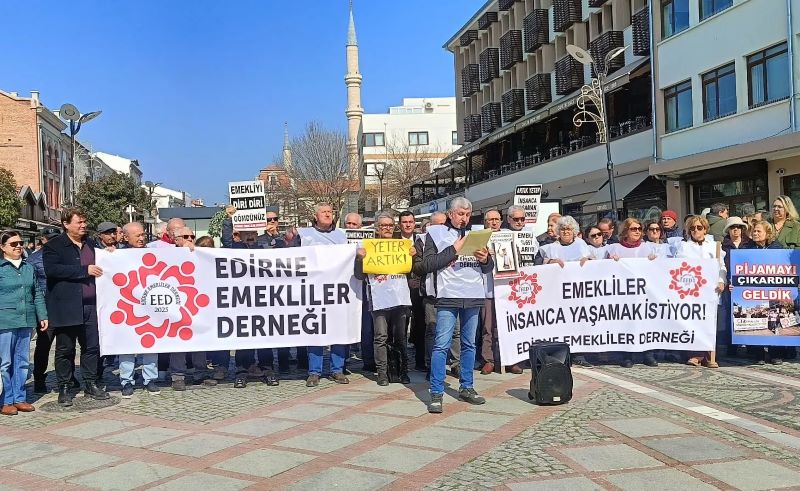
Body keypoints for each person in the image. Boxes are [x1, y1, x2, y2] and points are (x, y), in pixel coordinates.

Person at [422, 197, 493, 413]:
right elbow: (428, 264)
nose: (464, 218)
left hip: (473, 295)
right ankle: (436, 391)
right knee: (442, 345)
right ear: (451, 214)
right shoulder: (436, 233)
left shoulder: (478, 234)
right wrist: (454, 249)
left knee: (469, 345)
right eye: (460, 214)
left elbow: (488, 268)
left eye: (467, 214)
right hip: (448, 295)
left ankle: (467, 387)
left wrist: (484, 259)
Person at [43, 208, 109, 406]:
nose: (83, 225)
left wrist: (110, 254)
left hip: (91, 305)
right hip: (66, 306)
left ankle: (90, 382)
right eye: (79, 222)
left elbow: (103, 262)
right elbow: (52, 270)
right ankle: (64, 386)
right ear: (66, 224)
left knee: (91, 347)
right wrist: (84, 270)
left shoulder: (90, 243)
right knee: (65, 349)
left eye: (84, 221)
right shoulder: (54, 245)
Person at [356, 213, 414, 385]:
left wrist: (413, 256)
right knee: (380, 336)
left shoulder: (402, 245)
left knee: (400, 337)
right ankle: (382, 372)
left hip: (399, 297)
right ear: (377, 228)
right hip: (379, 299)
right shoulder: (369, 247)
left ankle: (402, 371)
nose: (387, 228)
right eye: (383, 226)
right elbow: (359, 275)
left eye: (390, 225)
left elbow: (412, 271)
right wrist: (360, 259)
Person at [298, 203, 351, 387]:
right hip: (313, 291)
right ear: (315, 216)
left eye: (330, 212)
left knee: (337, 330)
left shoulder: (341, 236)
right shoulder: (303, 235)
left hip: (336, 290)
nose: (328, 214)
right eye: (324, 212)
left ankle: (337, 370)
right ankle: (314, 371)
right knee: (315, 331)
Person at [0, 231, 48, 415]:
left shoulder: (28, 267)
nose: (19, 246)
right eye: (13, 244)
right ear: (3, 247)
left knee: (22, 361)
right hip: (5, 320)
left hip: (26, 318)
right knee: (5, 362)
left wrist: (42, 315)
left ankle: (19, 398)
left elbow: (36, 293)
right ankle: (5, 400)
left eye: (21, 243)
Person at [112, 222, 161, 398]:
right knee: (126, 345)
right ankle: (126, 381)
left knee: (150, 343)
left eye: (143, 235)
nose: (141, 238)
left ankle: (150, 379)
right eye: (137, 235)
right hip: (126, 307)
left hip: (149, 307)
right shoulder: (116, 255)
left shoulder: (153, 253)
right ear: (125, 237)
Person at [539, 216, 594, 368]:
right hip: (558, 293)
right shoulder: (551, 247)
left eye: (569, 229)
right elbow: (541, 265)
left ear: (574, 231)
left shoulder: (582, 244)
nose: (566, 232)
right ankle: (560, 355)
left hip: (578, 291)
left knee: (578, 322)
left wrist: (588, 260)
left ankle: (579, 355)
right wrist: (550, 262)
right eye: (562, 229)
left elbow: (592, 260)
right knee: (561, 323)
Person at [605, 218, 659, 368]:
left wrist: (654, 261)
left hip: (643, 293)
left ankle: (648, 354)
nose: (637, 231)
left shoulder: (647, 248)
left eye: (639, 229)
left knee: (645, 322)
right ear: (625, 231)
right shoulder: (614, 248)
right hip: (622, 294)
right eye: (633, 229)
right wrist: (611, 261)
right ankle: (626, 355)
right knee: (625, 323)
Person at [674, 215, 726, 368]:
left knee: (710, 322)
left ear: (705, 229)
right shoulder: (683, 247)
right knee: (694, 321)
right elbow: (677, 267)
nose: (696, 230)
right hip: (691, 289)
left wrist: (721, 280)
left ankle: (710, 354)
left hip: (711, 289)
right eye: (692, 228)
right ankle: (695, 354)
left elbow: (721, 266)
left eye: (699, 227)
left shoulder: (714, 246)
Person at [411, 211, 458, 381]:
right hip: (431, 293)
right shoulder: (421, 241)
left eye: (442, 224)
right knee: (432, 330)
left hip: (452, 292)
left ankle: (456, 364)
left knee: (455, 332)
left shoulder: (454, 238)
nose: (439, 227)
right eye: (435, 224)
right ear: (429, 225)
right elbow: (419, 267)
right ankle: (432, 365)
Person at [169, 233, 219, 390]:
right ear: (176, 240)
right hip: (178, 306)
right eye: (185, 236)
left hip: (199, 305)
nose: (189, 239)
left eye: (192, 236)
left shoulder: (202, 256)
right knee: (178, 342)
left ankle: (201, 373)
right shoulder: (167, 255)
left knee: (200, 340)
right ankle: (178, 376)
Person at [498, 205, 539, 373]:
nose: (520, 222)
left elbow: (537, 258)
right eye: (516, 219)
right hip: (507, 286)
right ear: (509, 219)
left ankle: (525, 357)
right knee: (508, 324)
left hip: (527, 286)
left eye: (523, 219)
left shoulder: (531, 236)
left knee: (526, 323)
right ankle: (510, 359)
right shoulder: (501, 235)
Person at [29, 231, 67, 393]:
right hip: (45, 308)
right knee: (44, 345)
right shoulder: (34, 259)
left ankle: (66, 378)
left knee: (66, 345)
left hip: (64, 305)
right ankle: (39, 378)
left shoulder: (64, 255)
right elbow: (33, 287)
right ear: (43, 240)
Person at [749, 220, 791, 364]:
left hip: (774, 291)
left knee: (775, 321)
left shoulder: (777, 248)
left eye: (759, 231)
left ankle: (775, 353)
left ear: (767, 233)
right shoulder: (747, 248)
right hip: (755, 291)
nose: (755, 233)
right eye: (754, 231)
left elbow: (786, 268)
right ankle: (758, 354)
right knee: (759, 322)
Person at [344, 212, 375, 373]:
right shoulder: (339, 240)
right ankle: (343, 359)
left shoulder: (367, 243)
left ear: (360, 227)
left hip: (363, 287)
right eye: (348, 224)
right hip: (343, 288)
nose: (350, 227)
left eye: (354, 225)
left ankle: (368, 359)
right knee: (344, 323)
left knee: (366, 326)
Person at [400, 211, 426, 371]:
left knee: (421, 325)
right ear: (400, 224)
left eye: (410, 221)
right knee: (401, 326)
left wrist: (417, 256)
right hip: (400, 287)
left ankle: (420, 361)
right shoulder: (393, 241)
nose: (408, 224)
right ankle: (401, 362)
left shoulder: (421, 240)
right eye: (404, 222)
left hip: (419, 288)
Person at [480, 209, 503, 375]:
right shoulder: (480, 237)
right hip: (487, 288)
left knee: (506, 327)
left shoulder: (510, 235)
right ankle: (488, 360)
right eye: (490, 220)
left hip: (507, 289)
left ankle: (507, 360)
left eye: (496, 219)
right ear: (485, 222)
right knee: (488, 327)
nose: (494, 222)